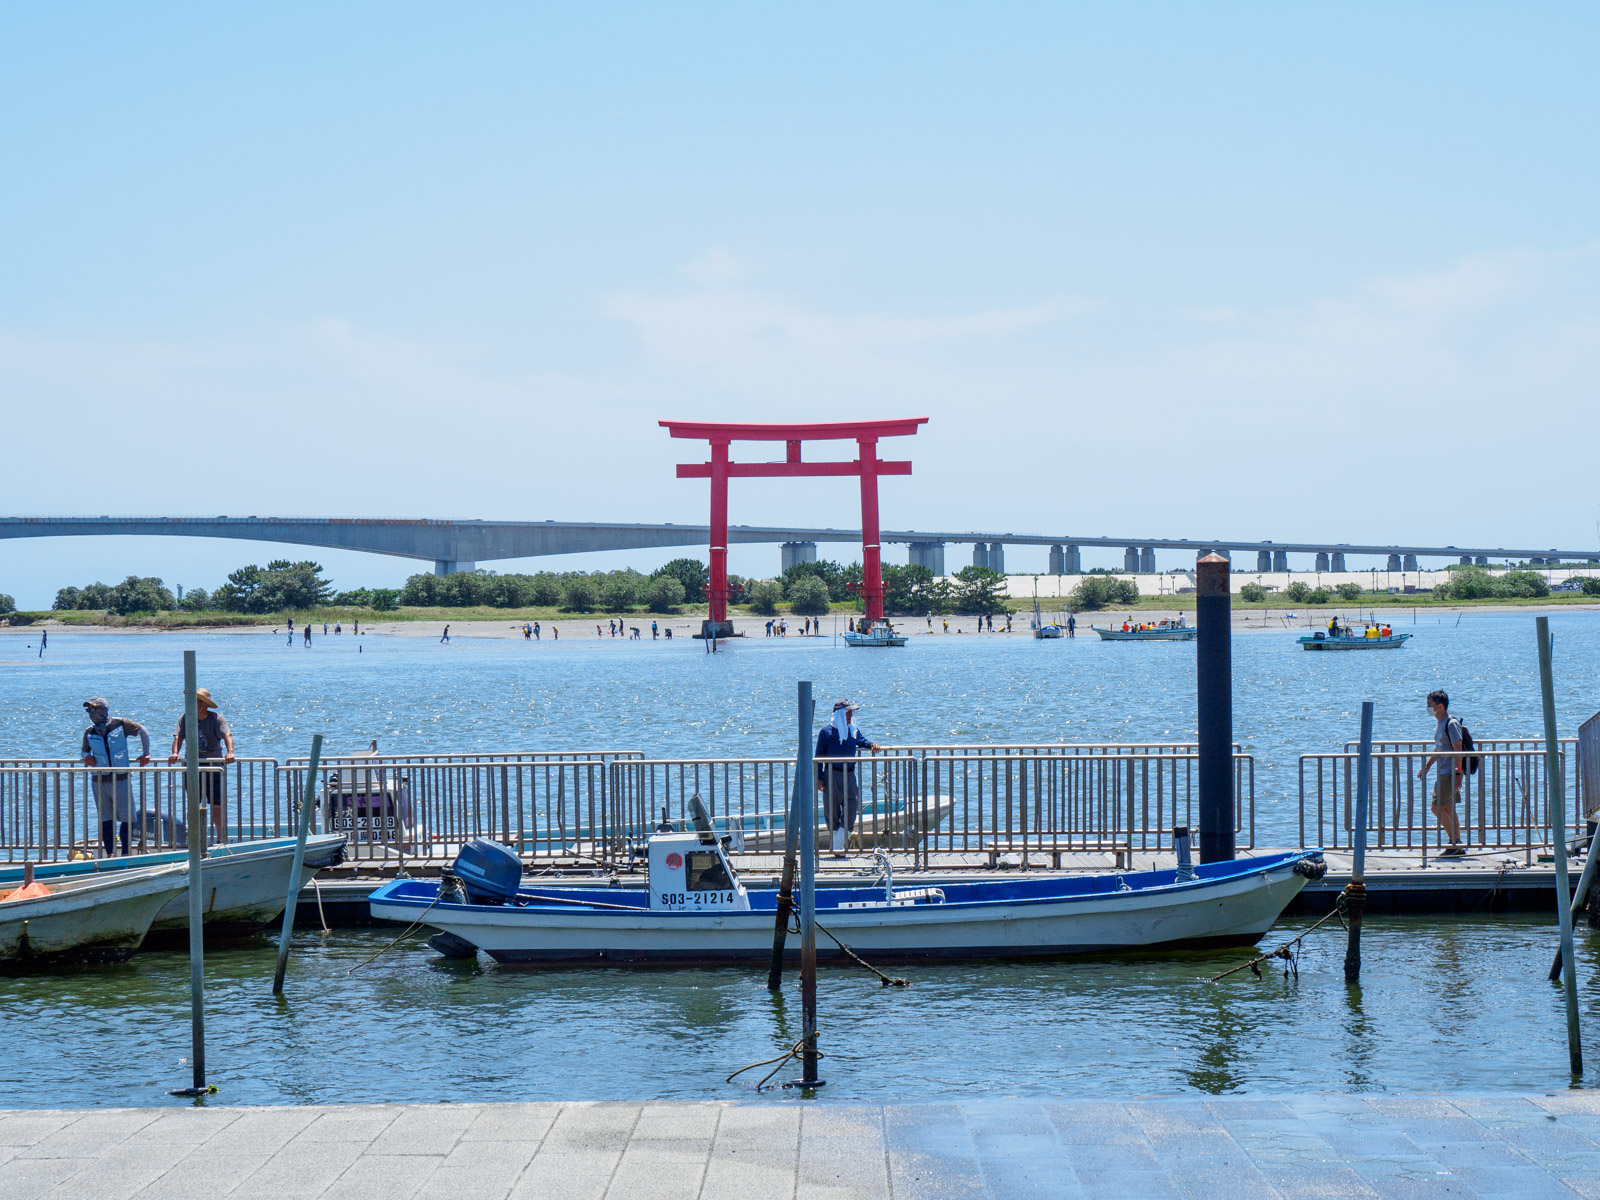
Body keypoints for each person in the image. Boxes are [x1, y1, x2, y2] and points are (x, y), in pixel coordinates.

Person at [79, 697, 152, 857]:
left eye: (95, 709)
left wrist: (146, 753)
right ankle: (111, 852)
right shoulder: (89, 731)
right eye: (89, 710)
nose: (92, 713)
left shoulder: (120, 724)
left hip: (121, 779)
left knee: (127, 817)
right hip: (99, 780)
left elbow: (142, 731)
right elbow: (84, 750)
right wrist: (86, 757)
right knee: (106, 818)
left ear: (104, 709)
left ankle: (126, 852)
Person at [168, 688, 236, 844]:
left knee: (217, 805)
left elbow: (227, 735)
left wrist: (230, 752)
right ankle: (194, 838)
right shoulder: (185, 718)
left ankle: (220, 838)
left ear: (205, 704)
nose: (194, 704)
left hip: (214, 767)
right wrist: (174, 753)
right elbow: (178, 737)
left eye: (198, 701)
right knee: (193, 805)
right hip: (193, 767)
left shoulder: (216, 718)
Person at [814, 699, 880, 856]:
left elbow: (862, 741)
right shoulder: (826, 732)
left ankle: (838, 843)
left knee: (852, 806)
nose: (851, 715)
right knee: (832, 810)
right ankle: (839, 845)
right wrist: (819, 778)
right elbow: (818, 756)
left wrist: (872, 744)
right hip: (832, 774)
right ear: (839, 714)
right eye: (848, 712)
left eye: (851, 712)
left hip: (849, 774)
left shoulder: (853, 730)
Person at [1417, 689, 1466, 856]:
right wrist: (1428, 765)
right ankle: (1456, 843)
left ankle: (1455, 843)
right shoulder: (1441, 723)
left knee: (1436, 807)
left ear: (1440, 706)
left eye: (1430, 705)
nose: (1427, 708)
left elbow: (1458, 748)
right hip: (1444, 771)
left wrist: (1458, 773)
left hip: (1450, 772)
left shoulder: (1451, 723)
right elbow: (1439, 747)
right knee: (1449, 808)